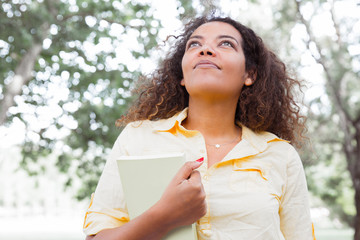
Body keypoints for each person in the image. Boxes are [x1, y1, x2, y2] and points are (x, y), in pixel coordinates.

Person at [83, 15, 316, 240]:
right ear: (182, 76)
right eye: (194, 44)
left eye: (226, 44)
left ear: (250, 74)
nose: (205, 50)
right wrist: (164, 216)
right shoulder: (137, 138)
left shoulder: (281, 155)